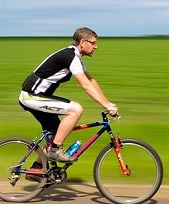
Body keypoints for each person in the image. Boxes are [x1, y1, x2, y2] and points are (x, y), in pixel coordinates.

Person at [19, 27, 118, 163]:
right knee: (76, 110)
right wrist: (105, 105)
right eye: (93, 43)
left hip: (37, 96)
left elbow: (91, 81)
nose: (96, 47)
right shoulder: (70, 56)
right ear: (82, 42)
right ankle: (54, 150)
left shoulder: (75, 57)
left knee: (57, 132)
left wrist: (108, 103)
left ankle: (36, 169)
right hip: (31, 96)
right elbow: (86, 85)